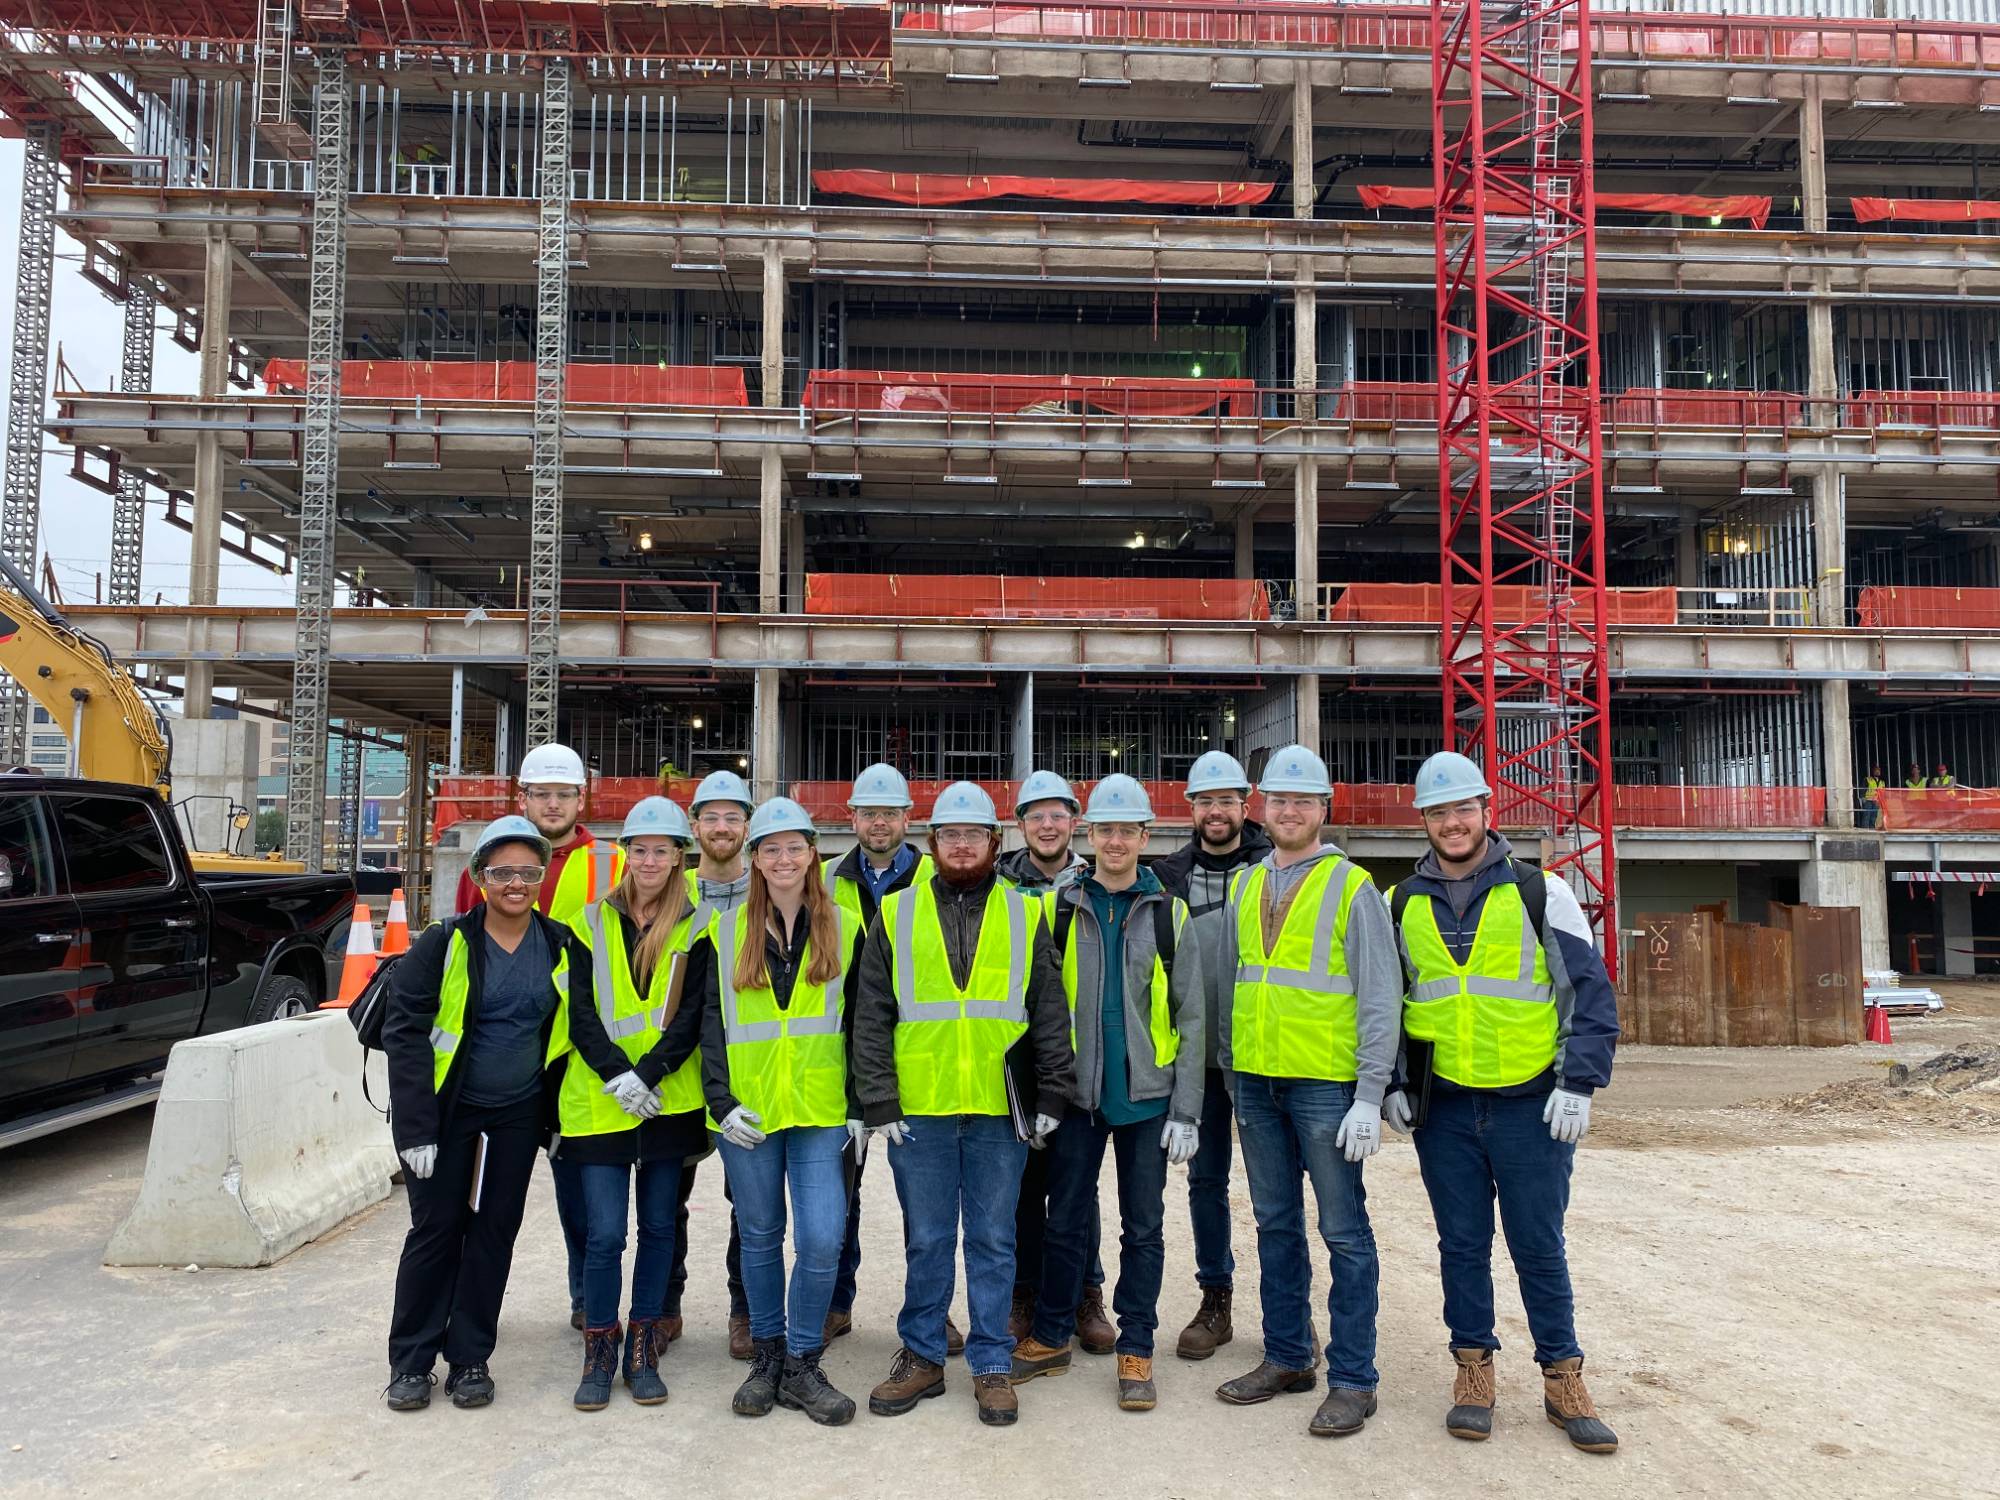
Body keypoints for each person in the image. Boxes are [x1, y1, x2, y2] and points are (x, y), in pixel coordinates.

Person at [1384, 751, 1620, 1455]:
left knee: (1538, 1246)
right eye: (1437, 812)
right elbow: (1390, 1004)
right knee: (1460, 1244)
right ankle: (1473, 1370)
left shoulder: (1540, 892)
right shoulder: (1403, 902)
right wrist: (1394, 1083)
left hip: (1529, 1104)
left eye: (1462, 810)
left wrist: (1579, 1082)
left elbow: (1589, 992)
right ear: (1423, 821)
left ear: (1487, 812)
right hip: (1446, 1110)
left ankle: (1562, 1377)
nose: (1451, 824)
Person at [852, 781, 1078, 1428]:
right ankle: (922, 1356)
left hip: (994, 1108)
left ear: (992, 843)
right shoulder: (895, 913)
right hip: (918, 1106)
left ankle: (990, 1365)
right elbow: (872, 1016)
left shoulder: (1025, 913)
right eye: (949, 835)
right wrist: (878, 1100)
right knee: (926, 1240)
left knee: (991, 1240)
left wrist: (1052, 1092)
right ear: (932, 844)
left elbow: (1047, 1013)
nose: (960, 845)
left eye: (972, 835)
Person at [1212, 744, 1402, 1440]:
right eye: (1278, 800)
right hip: (1258, 1085)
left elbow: (1382, 996)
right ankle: (1289, 1354)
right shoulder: (1244, 885)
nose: (1288, 811)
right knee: (1275, 1225)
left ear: (1323, 808)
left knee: (1344, 1231)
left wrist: (1369, 1092)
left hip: (1327, 1086)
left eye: (1302, 800)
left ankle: (1354, 1379)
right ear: (1262, 808)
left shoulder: (1353, 888)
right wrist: (1233, 1073)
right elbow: (1237, 982)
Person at [1010, 776, 1204, 1414]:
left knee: (1143, 1227)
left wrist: (1187, 1110)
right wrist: (1042, 1093)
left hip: (1147, 1099)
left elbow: (1192, 1016)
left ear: (1146, 837)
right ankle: (1049, 1335)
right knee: (1064, 1220)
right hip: (1077, 1096)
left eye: (1127, 830)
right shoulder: (1060, 909)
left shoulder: (1168, 911)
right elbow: (1039, 1009)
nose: (1115, 840)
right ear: (1088, 836)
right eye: (1105, 830)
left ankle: (1137, 1345)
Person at [382, 816, 574, 1412]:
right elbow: (404, 1030)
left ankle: (469, 1357)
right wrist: (415, 1128)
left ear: (541, 876)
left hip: (516, 1115)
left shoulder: (561, 943)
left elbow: (579, 1029)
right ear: (480, 877)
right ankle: (412, 1361)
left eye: (527, 872)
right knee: (436, 1231)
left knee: (494, 1233)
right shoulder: (446, 941)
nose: (515, 883)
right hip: (449, 1114)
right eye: (502, 872)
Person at [690, 797, 865, 1426]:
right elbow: (706, 1023)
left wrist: (864, 1105)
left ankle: (802, 1361)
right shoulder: (723, 930)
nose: (783, 858)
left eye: (795, 847)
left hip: (822, 1111)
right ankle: (768, 1357)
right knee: (759, 1238)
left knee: (821, 1238)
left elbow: (863, 1022)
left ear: (812, 853)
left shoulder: (845, 925)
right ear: (755, 858)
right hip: (749, 1114)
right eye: (771, 848)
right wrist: (721, 1102)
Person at [453, 743, 624, 1334]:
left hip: (575, 1055)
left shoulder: (613, 864)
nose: (553, 804)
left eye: (564, 794)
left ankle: (585, 1296)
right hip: (497, 1062)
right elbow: (457, 958)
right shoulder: (486, 863)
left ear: (583, 798)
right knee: (481, 1202)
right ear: (521, 797)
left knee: (578, 1189)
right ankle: (463, 1310)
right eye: (542, 793)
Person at [558, 797, 708, 1411]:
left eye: (662, 850)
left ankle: (643, 1343)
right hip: (599, 1101)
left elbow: (693, 1016)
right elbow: (581, 1011)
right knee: (603, 1236)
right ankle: (599, 1348)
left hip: (668, 1101)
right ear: (627, 854)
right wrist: (620, 1075)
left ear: (679, 857)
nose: (649, 860)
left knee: (657, 1229)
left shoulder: (698, 926)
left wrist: (649, 1075)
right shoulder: (589, 921)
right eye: (639, 849)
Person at [816, 763, 949, 1351]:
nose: (878, 822)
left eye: (889, 812)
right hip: (837, 1058)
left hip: (914, 1060)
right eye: (868, 812)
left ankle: (931, 1311)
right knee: (838, 1194)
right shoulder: (824, 880)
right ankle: (833, 1304)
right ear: (851, 817)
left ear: (907, 818)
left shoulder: (935, 879)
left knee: (925, 1206)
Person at [1153, 749, 1272, 1361]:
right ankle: (1216, 1299)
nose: (1216, 811)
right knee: (1205, 1181)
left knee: (1275, 1189)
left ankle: (1286, 1312)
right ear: (1191, 808)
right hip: (1197, 1062)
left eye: (1226, 800)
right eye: (1205, 801)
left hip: (1260, 1058)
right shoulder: (1166, 876)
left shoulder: (1276, 868)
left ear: (1244, 805)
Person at [997, 769, 1109, 1354]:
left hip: (1079, 1052)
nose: (1047, 825)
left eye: (1057, 815)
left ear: (1074, 822)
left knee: (1075, 1186)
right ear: (1020, 826)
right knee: (1020, 1186)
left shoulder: (1096, 883)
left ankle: (1086, 1292)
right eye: (1035, 816)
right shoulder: (998, 885)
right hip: (1019, 1053)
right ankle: (1025, 1293)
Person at [682, 768, 759, 1359]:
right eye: (712, 816)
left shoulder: (769, 886)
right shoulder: (671, 890)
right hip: (675, 1077)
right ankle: (662, 1309)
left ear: (747, 826)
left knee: (747, 1203)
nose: (723, 827)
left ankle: (744, 1309)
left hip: (742, 1073)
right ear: (695, 825)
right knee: (666, 1199)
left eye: (734, 817)